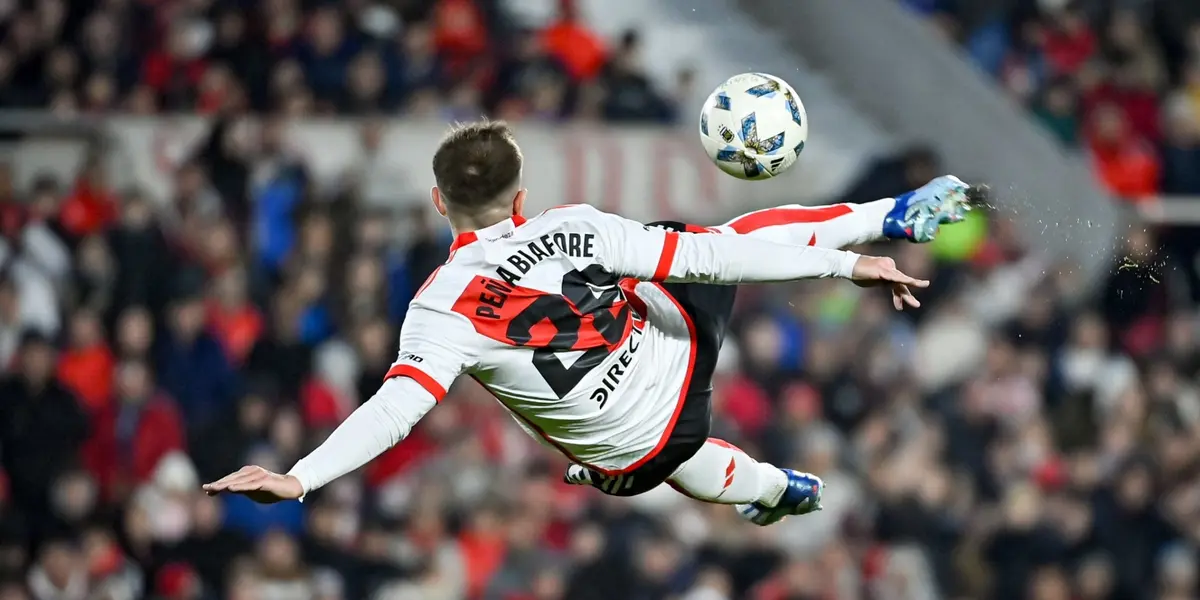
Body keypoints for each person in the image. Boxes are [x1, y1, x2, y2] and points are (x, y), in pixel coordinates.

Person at [203, 120, 974, 526]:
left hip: (630, 458)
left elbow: (394, 413)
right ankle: (891, 215)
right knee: (707, 241)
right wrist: (848, 262)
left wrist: (299, 476)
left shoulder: (438, 308)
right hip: (676, 361)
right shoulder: (576, 225)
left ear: (440, 203)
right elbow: (714, 263)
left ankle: (774, 489)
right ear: (520, 195)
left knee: (655, 454)